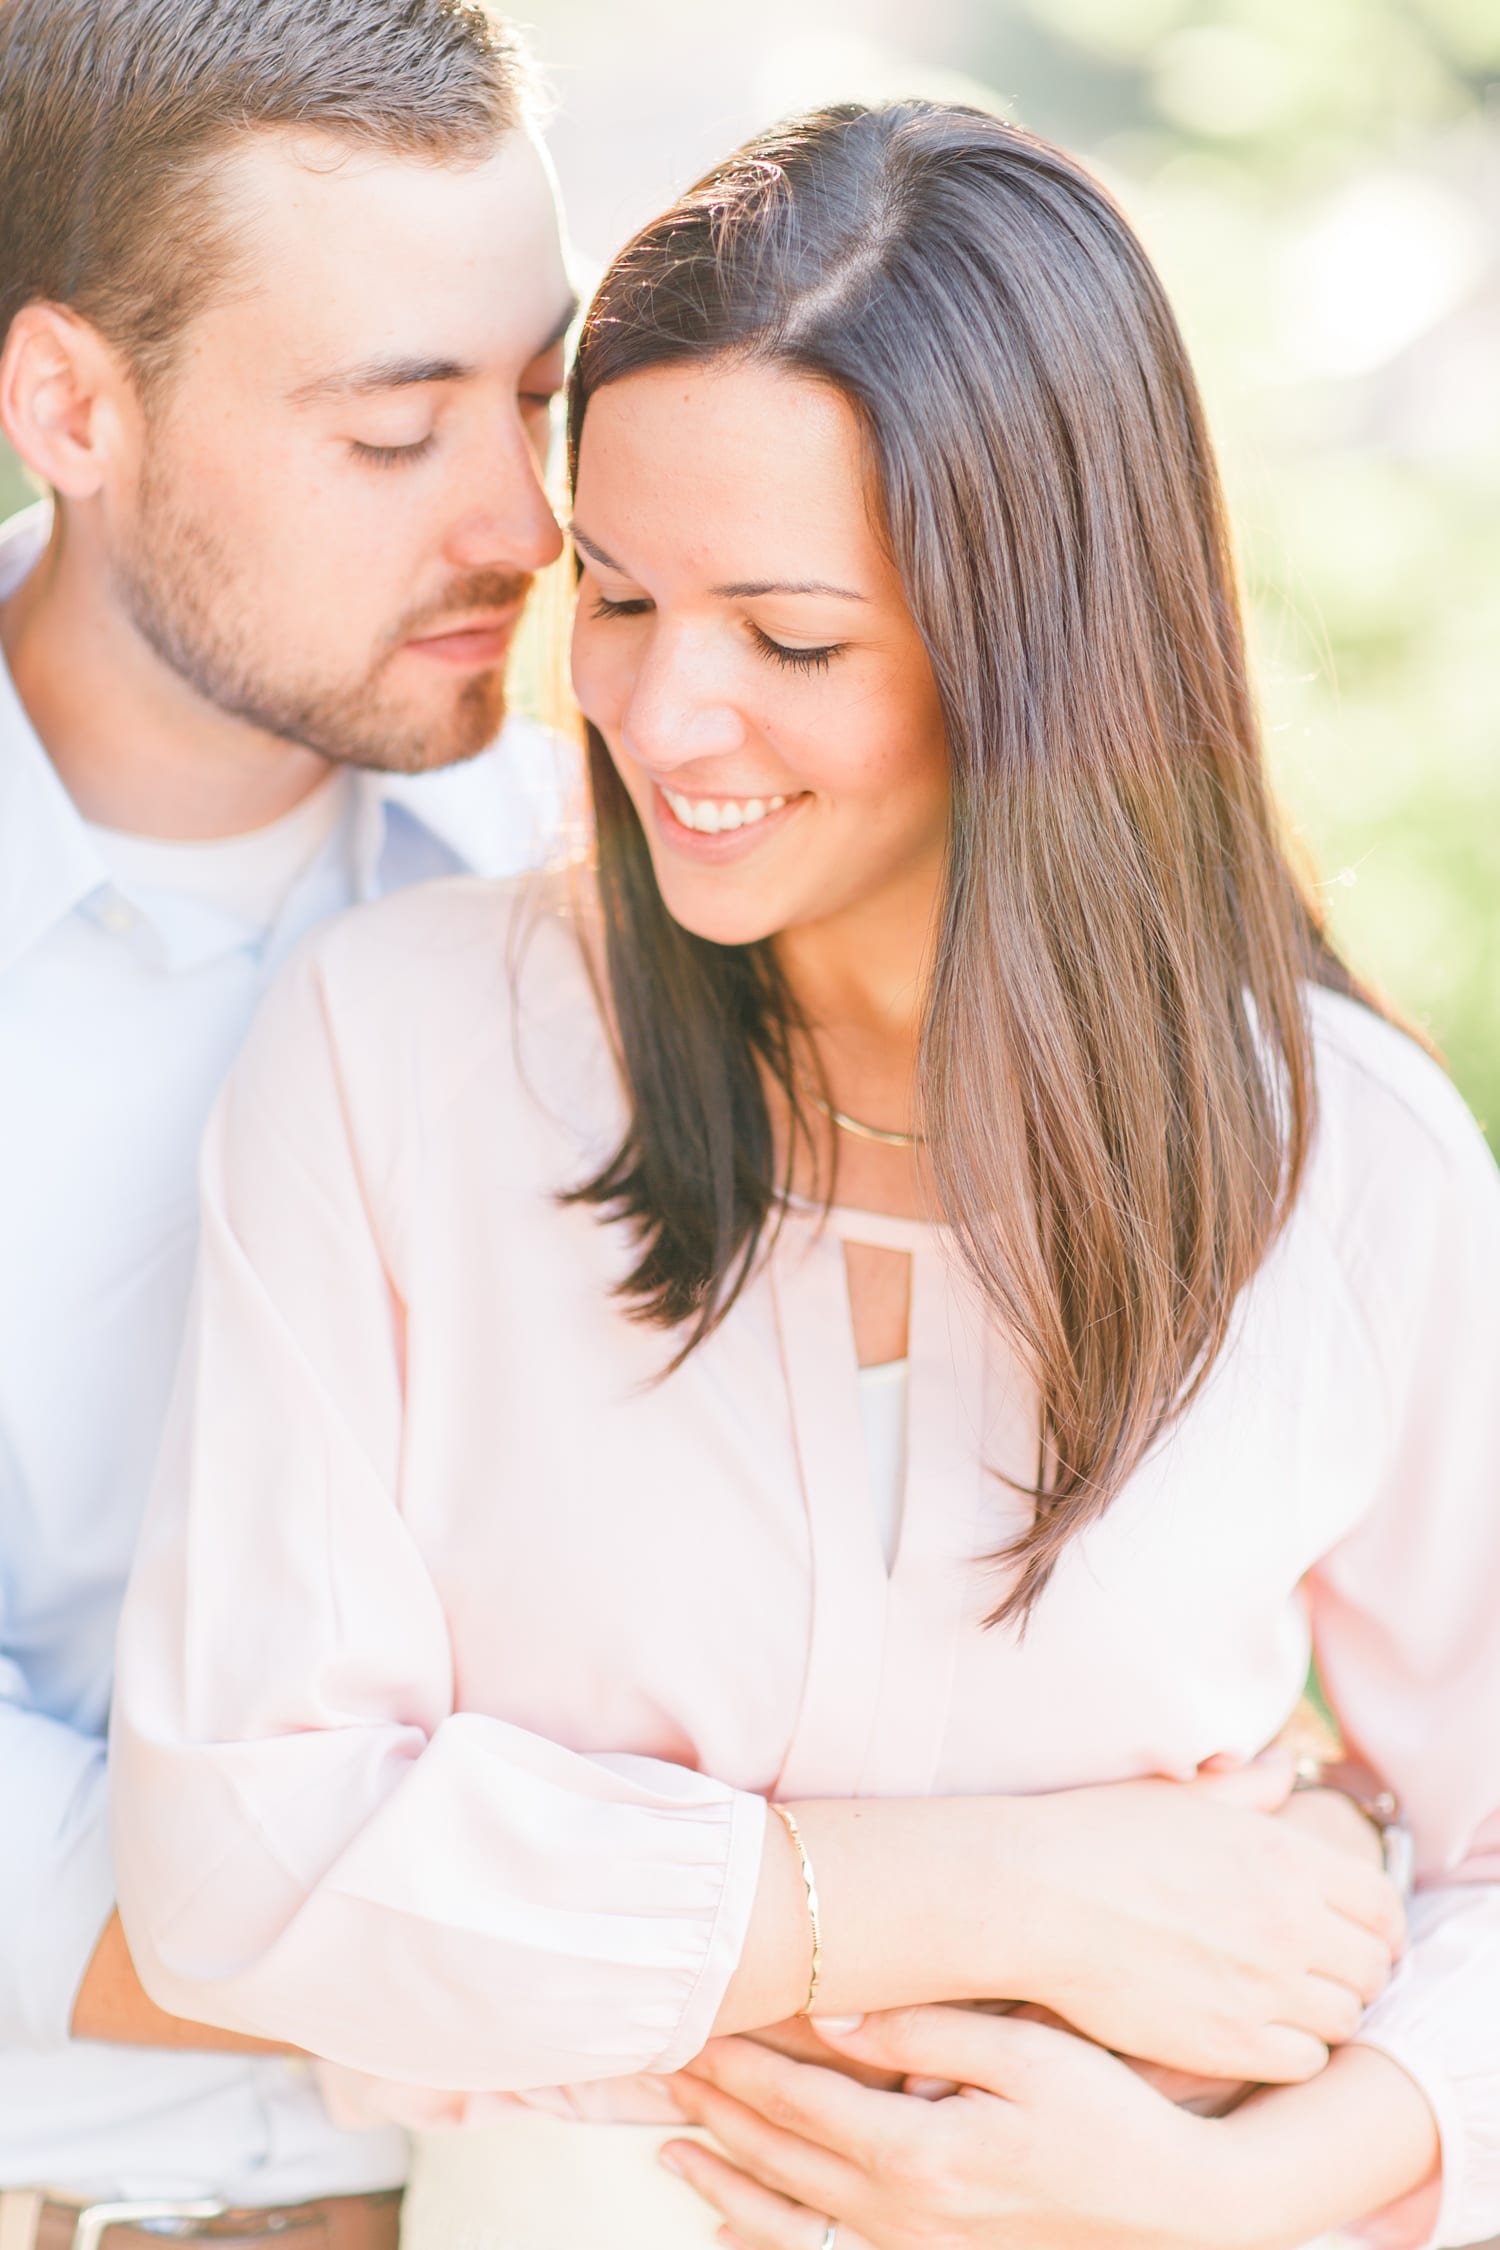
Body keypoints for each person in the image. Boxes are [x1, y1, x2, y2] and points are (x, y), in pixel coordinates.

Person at [111, 101, 1500, 2250]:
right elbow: (243, 1869)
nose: (663, 714)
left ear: (1040, 648)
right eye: (624, 592)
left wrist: (1226, 2182)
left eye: (791, 637)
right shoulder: (395, 1058)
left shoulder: (1348, 1167)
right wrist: (1023, 1899)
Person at [0, 2, 576, 2245]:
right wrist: (747, 1952)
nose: (522, 522)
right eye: (396, 431)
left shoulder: (608, 920)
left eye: (533, 399)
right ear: (72, 407)